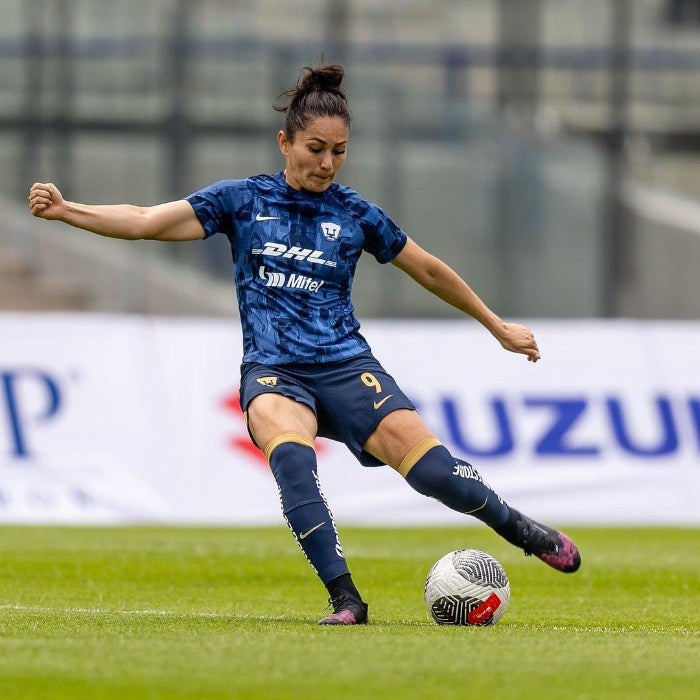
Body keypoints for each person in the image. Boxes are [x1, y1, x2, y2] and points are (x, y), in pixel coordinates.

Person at [28, 63, 580, 626]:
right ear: (284, 142)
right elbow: (147, 220)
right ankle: (347, 599)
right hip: (274, 370)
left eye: (339, 152)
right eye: (315, 148)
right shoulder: (242, 201)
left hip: (345, 365)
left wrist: (496, 325)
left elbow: (430, 270)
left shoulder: (355, 213)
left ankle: (518, 527)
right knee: (292, 460)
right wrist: (69, 210)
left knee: (434, 474)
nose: (326, 163)